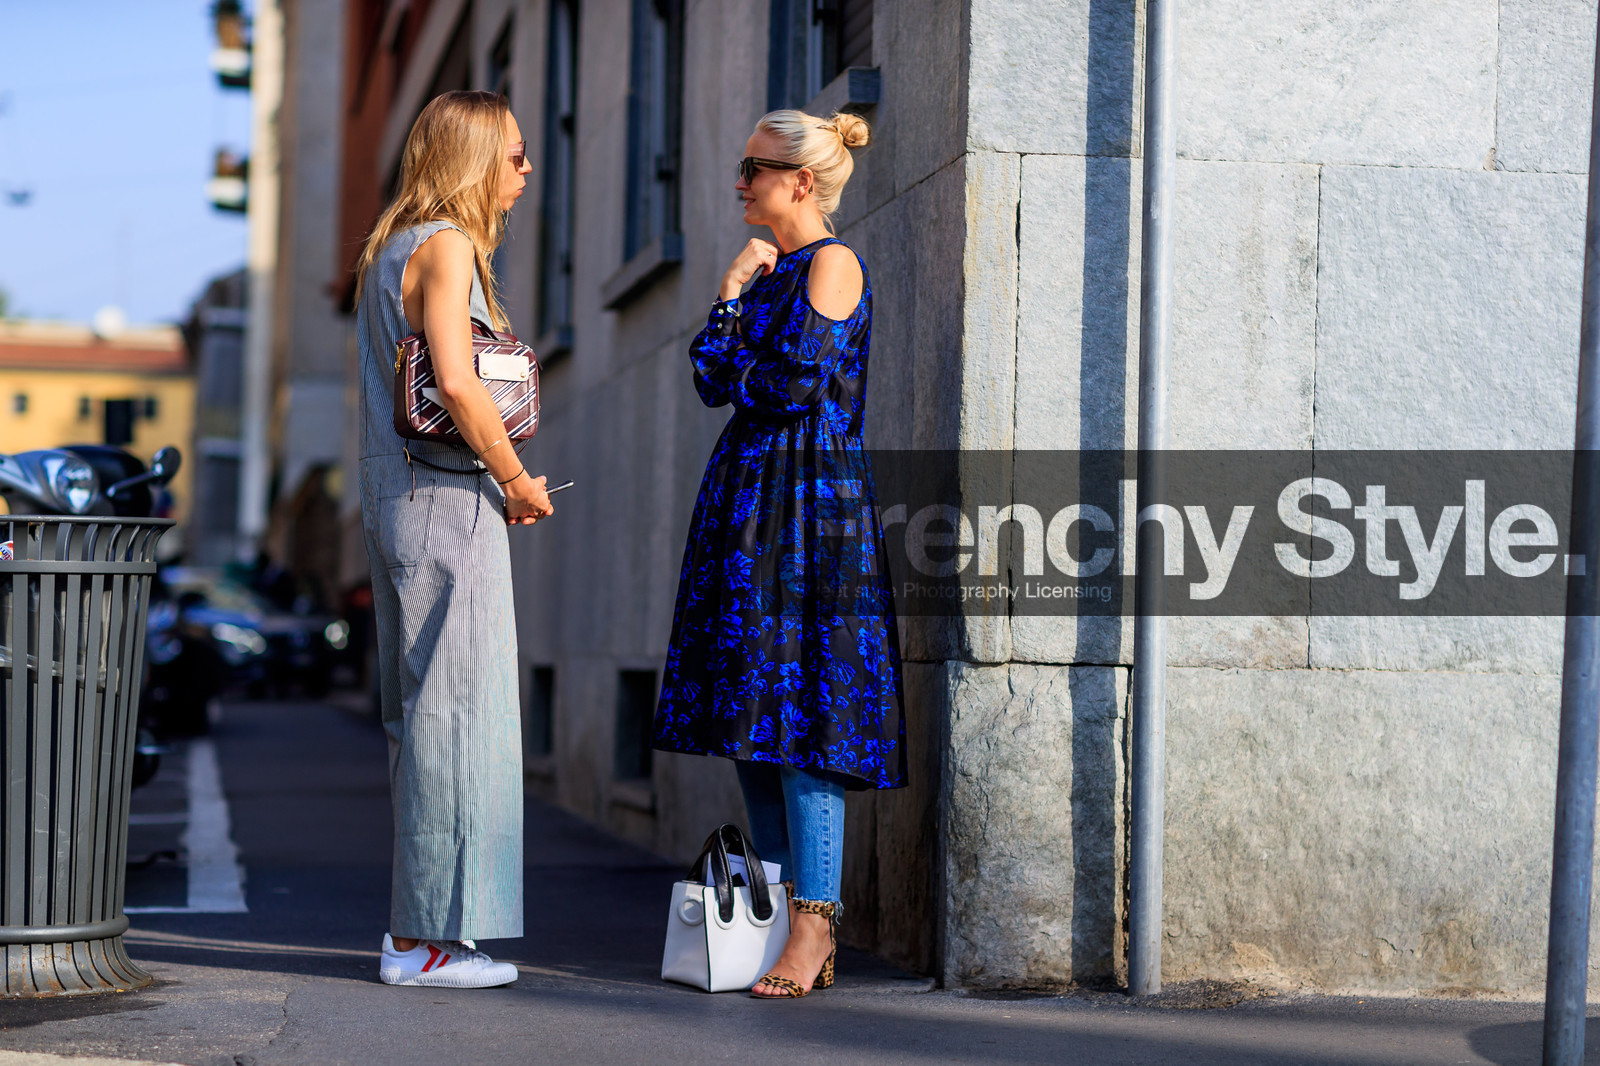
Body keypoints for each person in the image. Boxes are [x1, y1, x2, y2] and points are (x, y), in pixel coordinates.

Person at [652, 109, 907, 999]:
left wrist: (737, 342)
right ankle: (768, 914)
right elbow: (711, 378)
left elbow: (790, 383)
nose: (738, 182)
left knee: (804, 721)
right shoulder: (762, 277)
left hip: (809, 508)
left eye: (754, 168)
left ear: (801, 181)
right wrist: (728, 293)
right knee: (751, 724)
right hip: (748, 507)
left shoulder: (833, 264)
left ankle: (815, 931)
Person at [353, 90, 553, 988]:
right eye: (512, 153)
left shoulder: (388, 248)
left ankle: (422, 929)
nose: (524, 168)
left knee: (420, 715)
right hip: (446, 497)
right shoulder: (446, 244)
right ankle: (429, 939)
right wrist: (515, 480)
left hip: (397, 498)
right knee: (457, 718)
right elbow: (460, 385)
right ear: (473, 157)